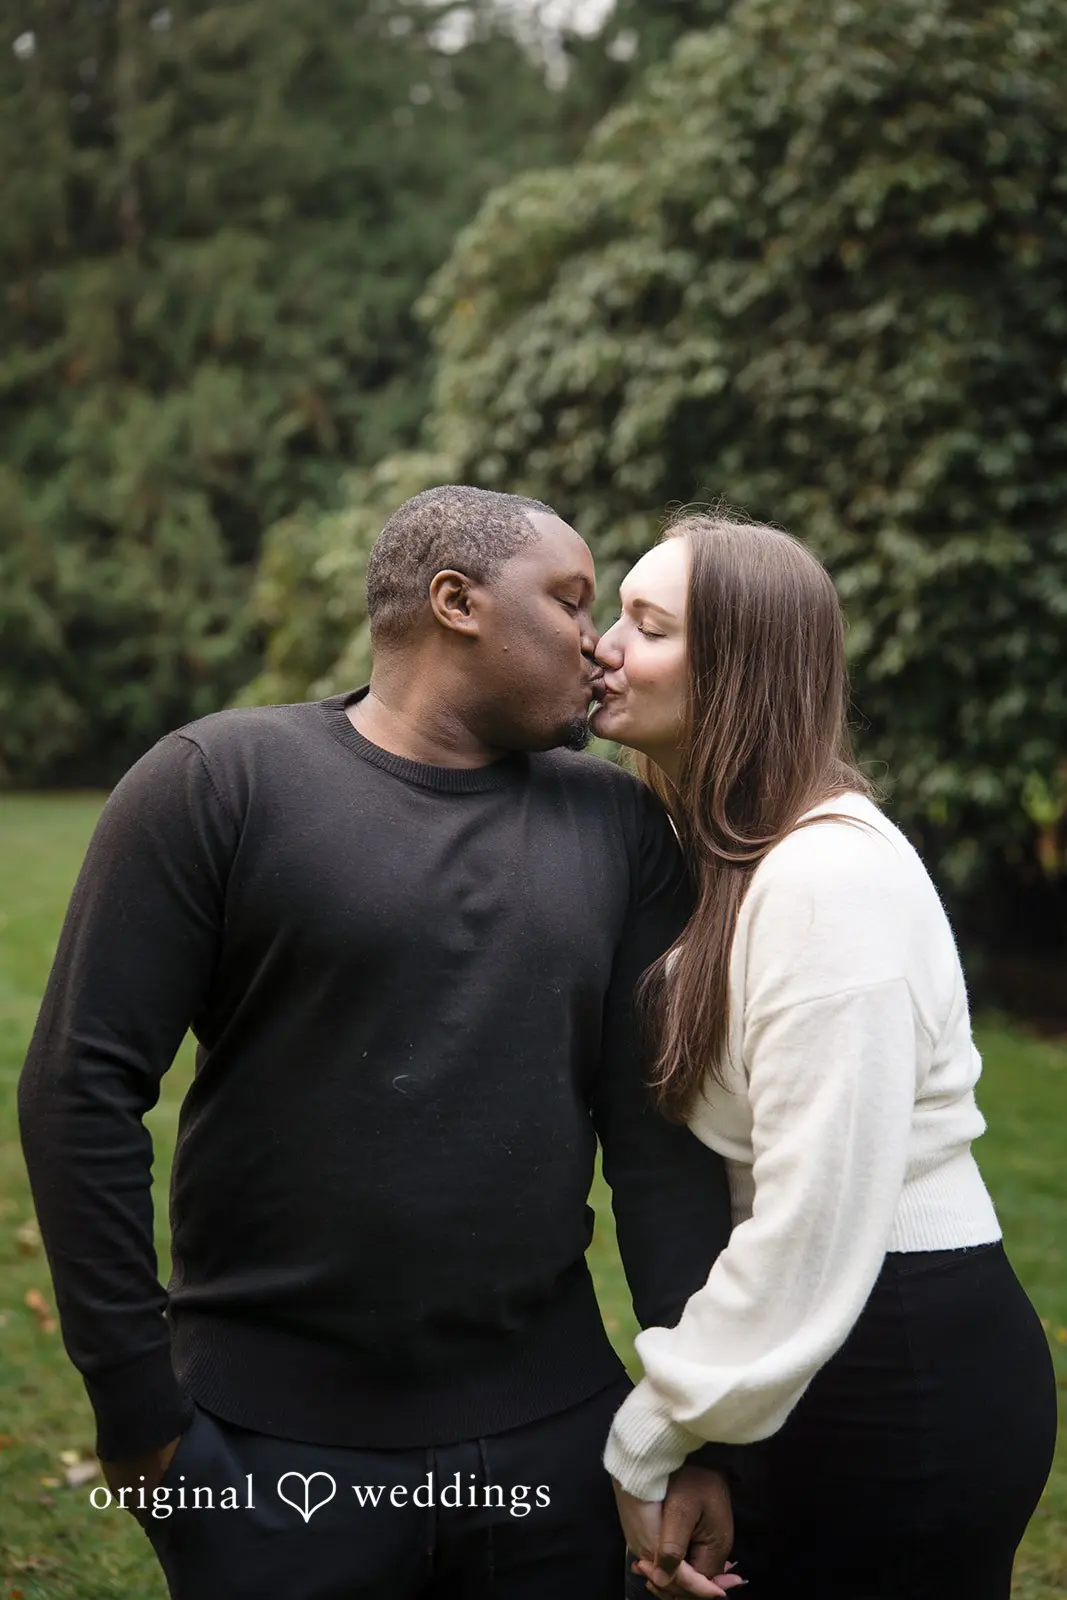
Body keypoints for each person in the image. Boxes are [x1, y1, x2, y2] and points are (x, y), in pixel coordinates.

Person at [19, 487, 742, 1600]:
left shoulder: (618, 827)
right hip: (269, 1452)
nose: (596, 643)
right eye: (567, 600)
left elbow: (654, 1146)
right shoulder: (219, 784)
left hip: (554, 1442)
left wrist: (691, 1430)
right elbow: (80, 1088)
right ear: (454, 601)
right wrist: (140, 1417)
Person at [590, 511, 1058, 1600]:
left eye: (646, 626)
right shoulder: (737, 861)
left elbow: (812, 1217)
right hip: (828, 1344)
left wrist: (648, 1434)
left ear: (739, 671)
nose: (604, 645)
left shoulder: (825, 883)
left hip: (897, 1367)